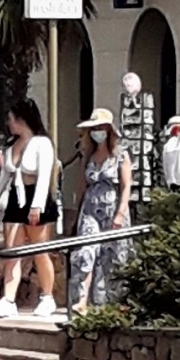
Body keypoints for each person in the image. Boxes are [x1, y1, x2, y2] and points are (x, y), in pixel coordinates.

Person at [0, 98, 59, 320]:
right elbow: (4, 177)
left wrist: (36, 205)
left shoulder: (42, 143)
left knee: (39, 250)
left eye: (11, 119)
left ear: (21, 119)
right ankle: (8, 299)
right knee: (12, 252)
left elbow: (45, 176)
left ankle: (47, 297)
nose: (8, 123)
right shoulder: (11, 146)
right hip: (15, 199)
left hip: (36, 196)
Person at [68, 109, 133, 314]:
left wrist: (121, 213)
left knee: (111, 257)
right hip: (90, 209)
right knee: (86, 251)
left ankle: (110, 304)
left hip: (112, 208)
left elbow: (126, 185)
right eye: (94, 128)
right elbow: (81, 184)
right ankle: (81, 300)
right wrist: (76, 211)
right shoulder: (87, 155)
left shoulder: (121, 154)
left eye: (101, 127)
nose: (97, 132)